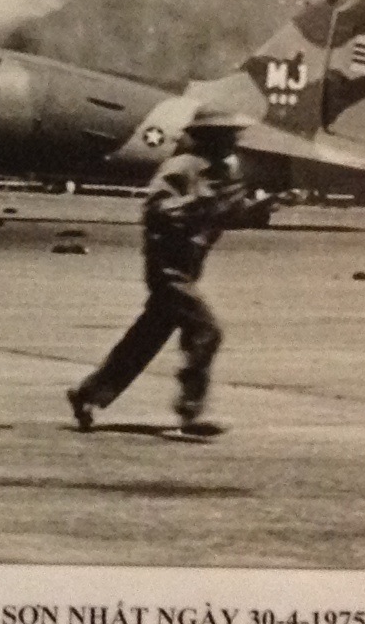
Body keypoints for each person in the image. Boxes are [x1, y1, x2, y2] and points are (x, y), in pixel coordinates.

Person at [69, 96, 264, 438]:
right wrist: (200, 202)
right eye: (228, 134)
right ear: (209, 137)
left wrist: (260, 208)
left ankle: (89, 393)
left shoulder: (224, 172)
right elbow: (158, 209)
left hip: (188, 268)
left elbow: (227, 214)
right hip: (167, 268)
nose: (235, 140)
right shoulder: (182, 168)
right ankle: (190, 411)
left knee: (145, 339)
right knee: (206, 331)